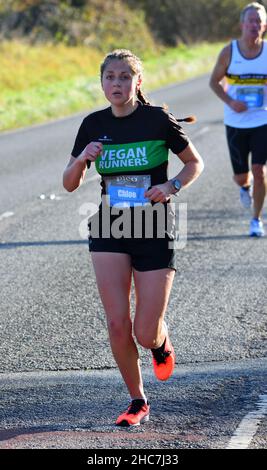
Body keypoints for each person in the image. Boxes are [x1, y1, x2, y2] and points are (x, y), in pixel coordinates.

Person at [63, 49, 204, 426]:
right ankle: (137, 400)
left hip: (154, 228)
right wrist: (81, 159)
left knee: (144, 331)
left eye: (125, 77)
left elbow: (194, 163)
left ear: (137, 82)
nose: (117, 84)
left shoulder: (157, 120)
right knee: (116, 324)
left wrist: (171, 185)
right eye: (110, 77)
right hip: (110, 227)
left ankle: (159, 341)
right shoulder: (93, 125)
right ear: (102, 82)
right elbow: (69, 183)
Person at [209, 2, 267, 237]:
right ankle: (245, 186)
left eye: (259, 21)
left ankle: (256, 219)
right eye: (250, 20)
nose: (254, 25)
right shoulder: (229, 52)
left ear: (264, 26)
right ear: (242, 24)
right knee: (241, 175)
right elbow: (213, 82)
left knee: (259, 170)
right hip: (235, 121)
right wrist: (231, 102)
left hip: (262, 120)